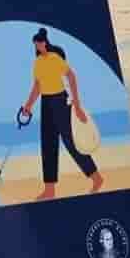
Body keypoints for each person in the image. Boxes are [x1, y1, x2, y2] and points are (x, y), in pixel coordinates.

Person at [20, 27, 104, 201]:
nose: (38, 46)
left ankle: (96, 178)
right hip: (46, 102)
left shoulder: (55, 58)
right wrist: (28, 105)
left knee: (71, 142)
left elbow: (71, 77)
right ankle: (49, 190)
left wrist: (77, 104)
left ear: (45, 42)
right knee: (48, 145)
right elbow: (37, 86)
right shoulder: (37, 63)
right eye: (36, 44)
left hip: (60, 101)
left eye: (40, 43)